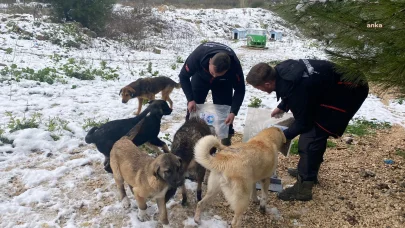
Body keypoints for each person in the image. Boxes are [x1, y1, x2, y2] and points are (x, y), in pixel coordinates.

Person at [246, 59, 369, 201]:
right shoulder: (282, 72)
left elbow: (303, 122)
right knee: (313, 131)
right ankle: (309, 171)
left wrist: (280, 136)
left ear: (267, 84)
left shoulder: (299, 88)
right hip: (333, 85)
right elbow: (291, 89)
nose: (259, 90)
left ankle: (304, 188)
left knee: (311, 137)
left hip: (351, 90)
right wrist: (283, 106)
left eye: (258, 88)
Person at [178, 42, 246, 146]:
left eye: (217, 74)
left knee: (225, 113)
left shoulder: (234, 67)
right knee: (193, 109)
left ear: (227, 70)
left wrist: (233, 111)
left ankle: (225, 143)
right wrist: (190, 99)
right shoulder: (197, 56)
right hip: (200, 77)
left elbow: (240, 89)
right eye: (213, 72)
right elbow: (183, 76)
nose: (214, 75)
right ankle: (189, 141)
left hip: (223, 82)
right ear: (210, 61)